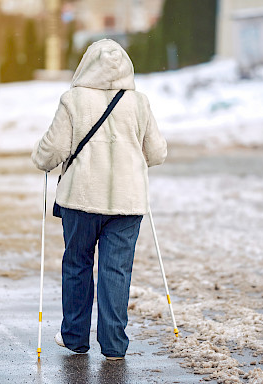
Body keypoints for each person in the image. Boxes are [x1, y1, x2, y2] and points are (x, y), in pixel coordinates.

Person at [31, 39, 167, 360]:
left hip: (81, 199)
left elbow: (51, 151)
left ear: (86, 65)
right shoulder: (139, 103)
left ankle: (75, 338)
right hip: (128, 202)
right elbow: (157, 153)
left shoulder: (73, 100)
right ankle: (115, 345)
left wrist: (41, 159)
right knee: (116, 270)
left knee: (77, 264)